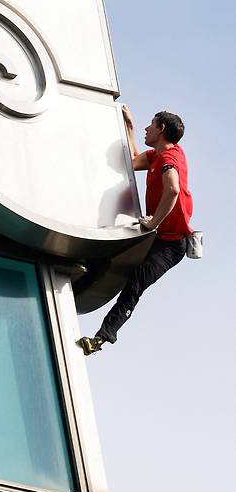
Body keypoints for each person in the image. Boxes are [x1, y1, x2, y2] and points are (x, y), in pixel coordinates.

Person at [77, 106, 193, 354]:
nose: (146, 127)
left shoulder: (168, 159)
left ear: (161, 129)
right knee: (115, 251)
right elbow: (133, 161)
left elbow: (172, 189)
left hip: (171, 245)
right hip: (156, 235)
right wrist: (128, 126)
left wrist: (153, 223)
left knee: (136, 283)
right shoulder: (159, 155)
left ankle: (102, 338)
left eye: (151, 124)